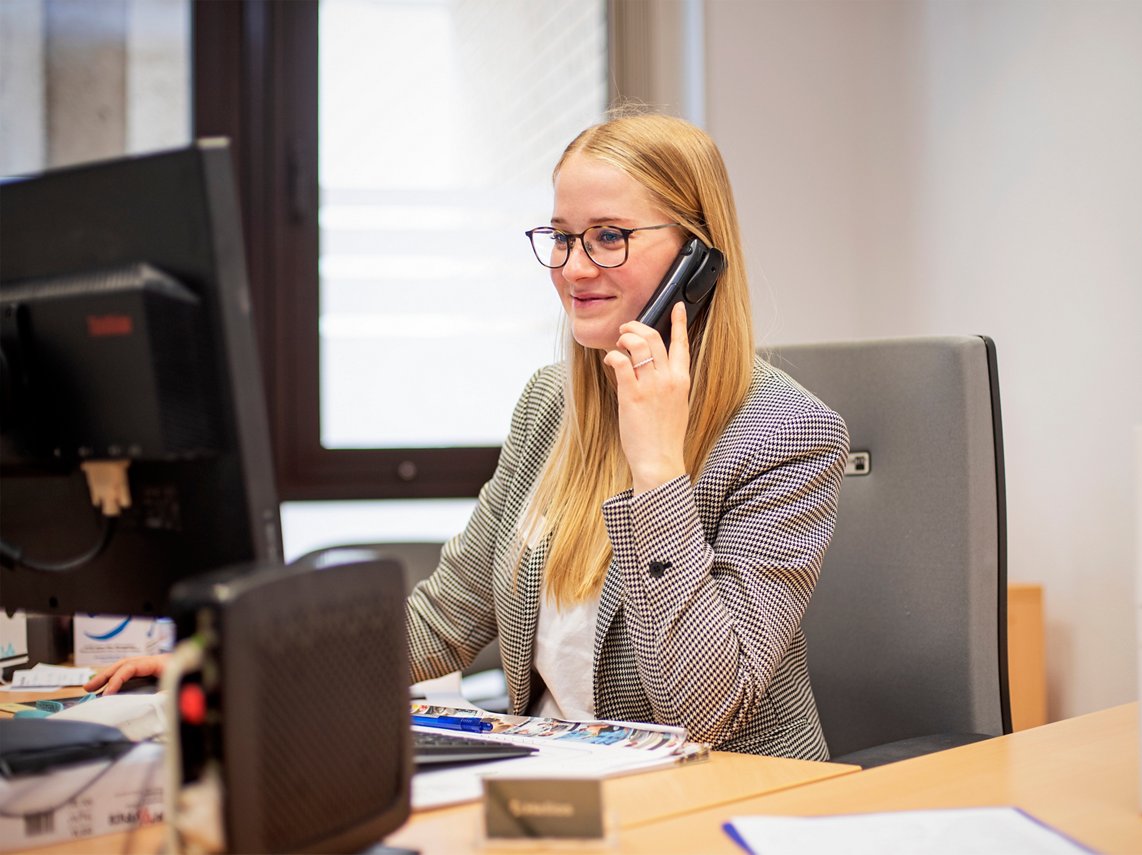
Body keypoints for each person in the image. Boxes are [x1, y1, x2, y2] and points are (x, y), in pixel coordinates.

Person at [86, 111, 849, 761]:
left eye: (608, 236)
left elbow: (706, 707)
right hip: (561, 794)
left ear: (698, 258)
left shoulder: (787, 434)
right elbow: (444, 620)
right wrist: (228, 668)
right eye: (561, 235)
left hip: (726, 808)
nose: (573, 267)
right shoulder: (551, 405)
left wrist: (656, 469)